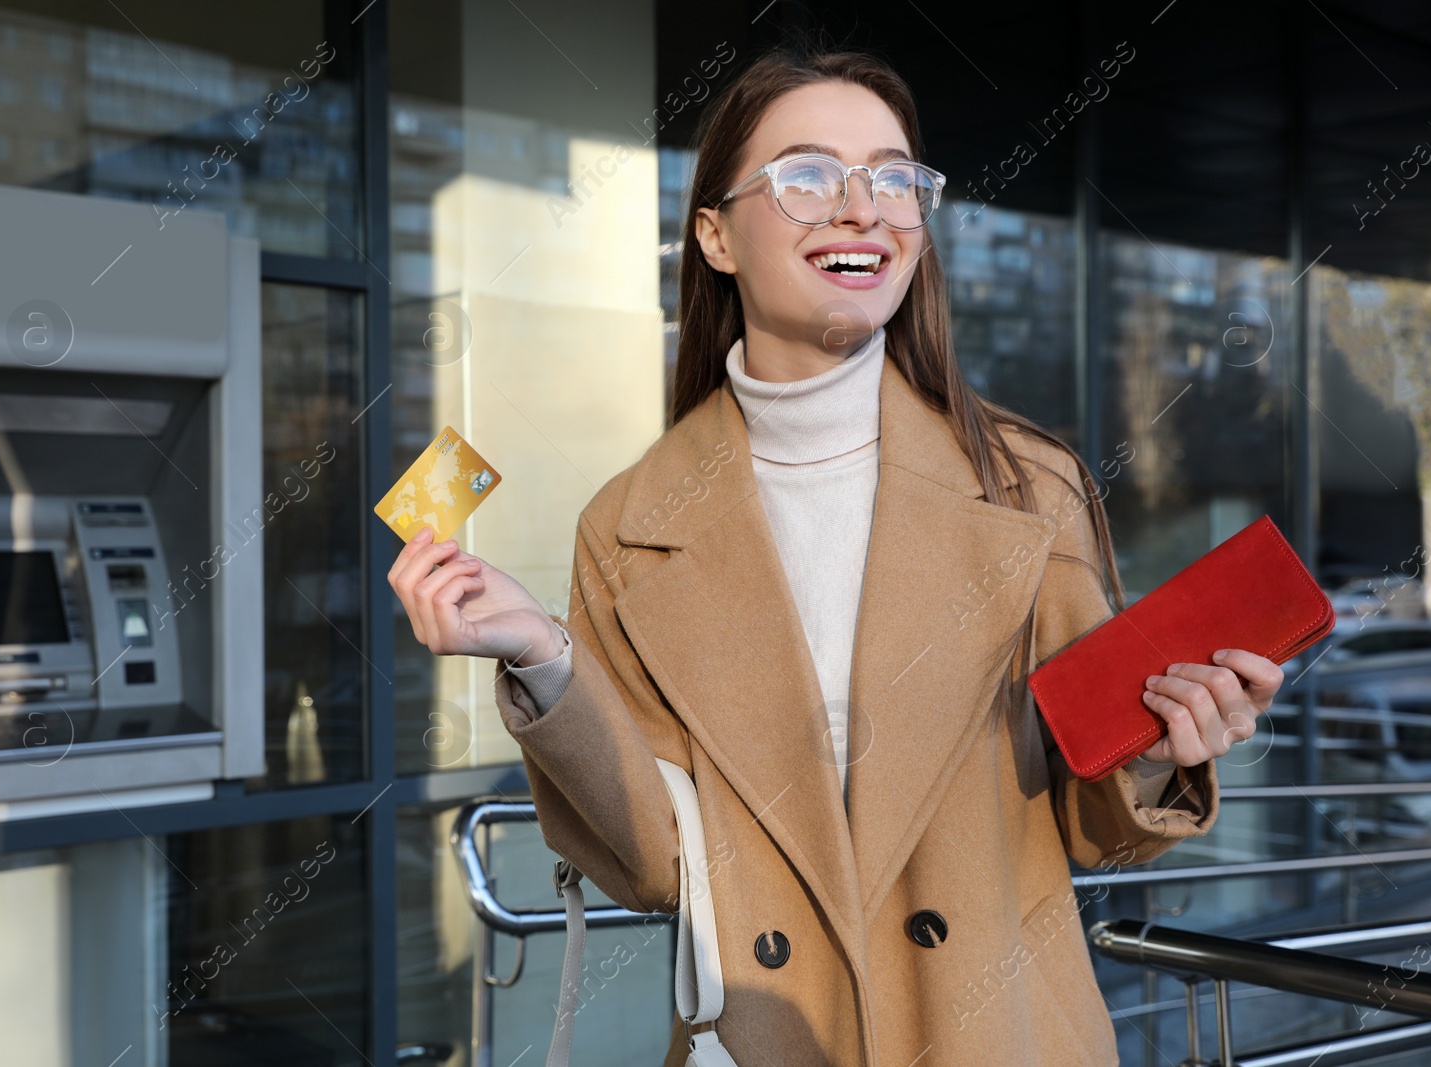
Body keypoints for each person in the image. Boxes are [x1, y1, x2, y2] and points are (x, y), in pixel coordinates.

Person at [389, 46, 1283, 1067]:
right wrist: (540, 655)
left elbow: (1094, 827)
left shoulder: (1027, 483)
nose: (862, 208)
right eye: (808, 176)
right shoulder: (630, 522)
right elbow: (656, 865)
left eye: (895, 179)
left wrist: (1164, 744)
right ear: (715, 234)